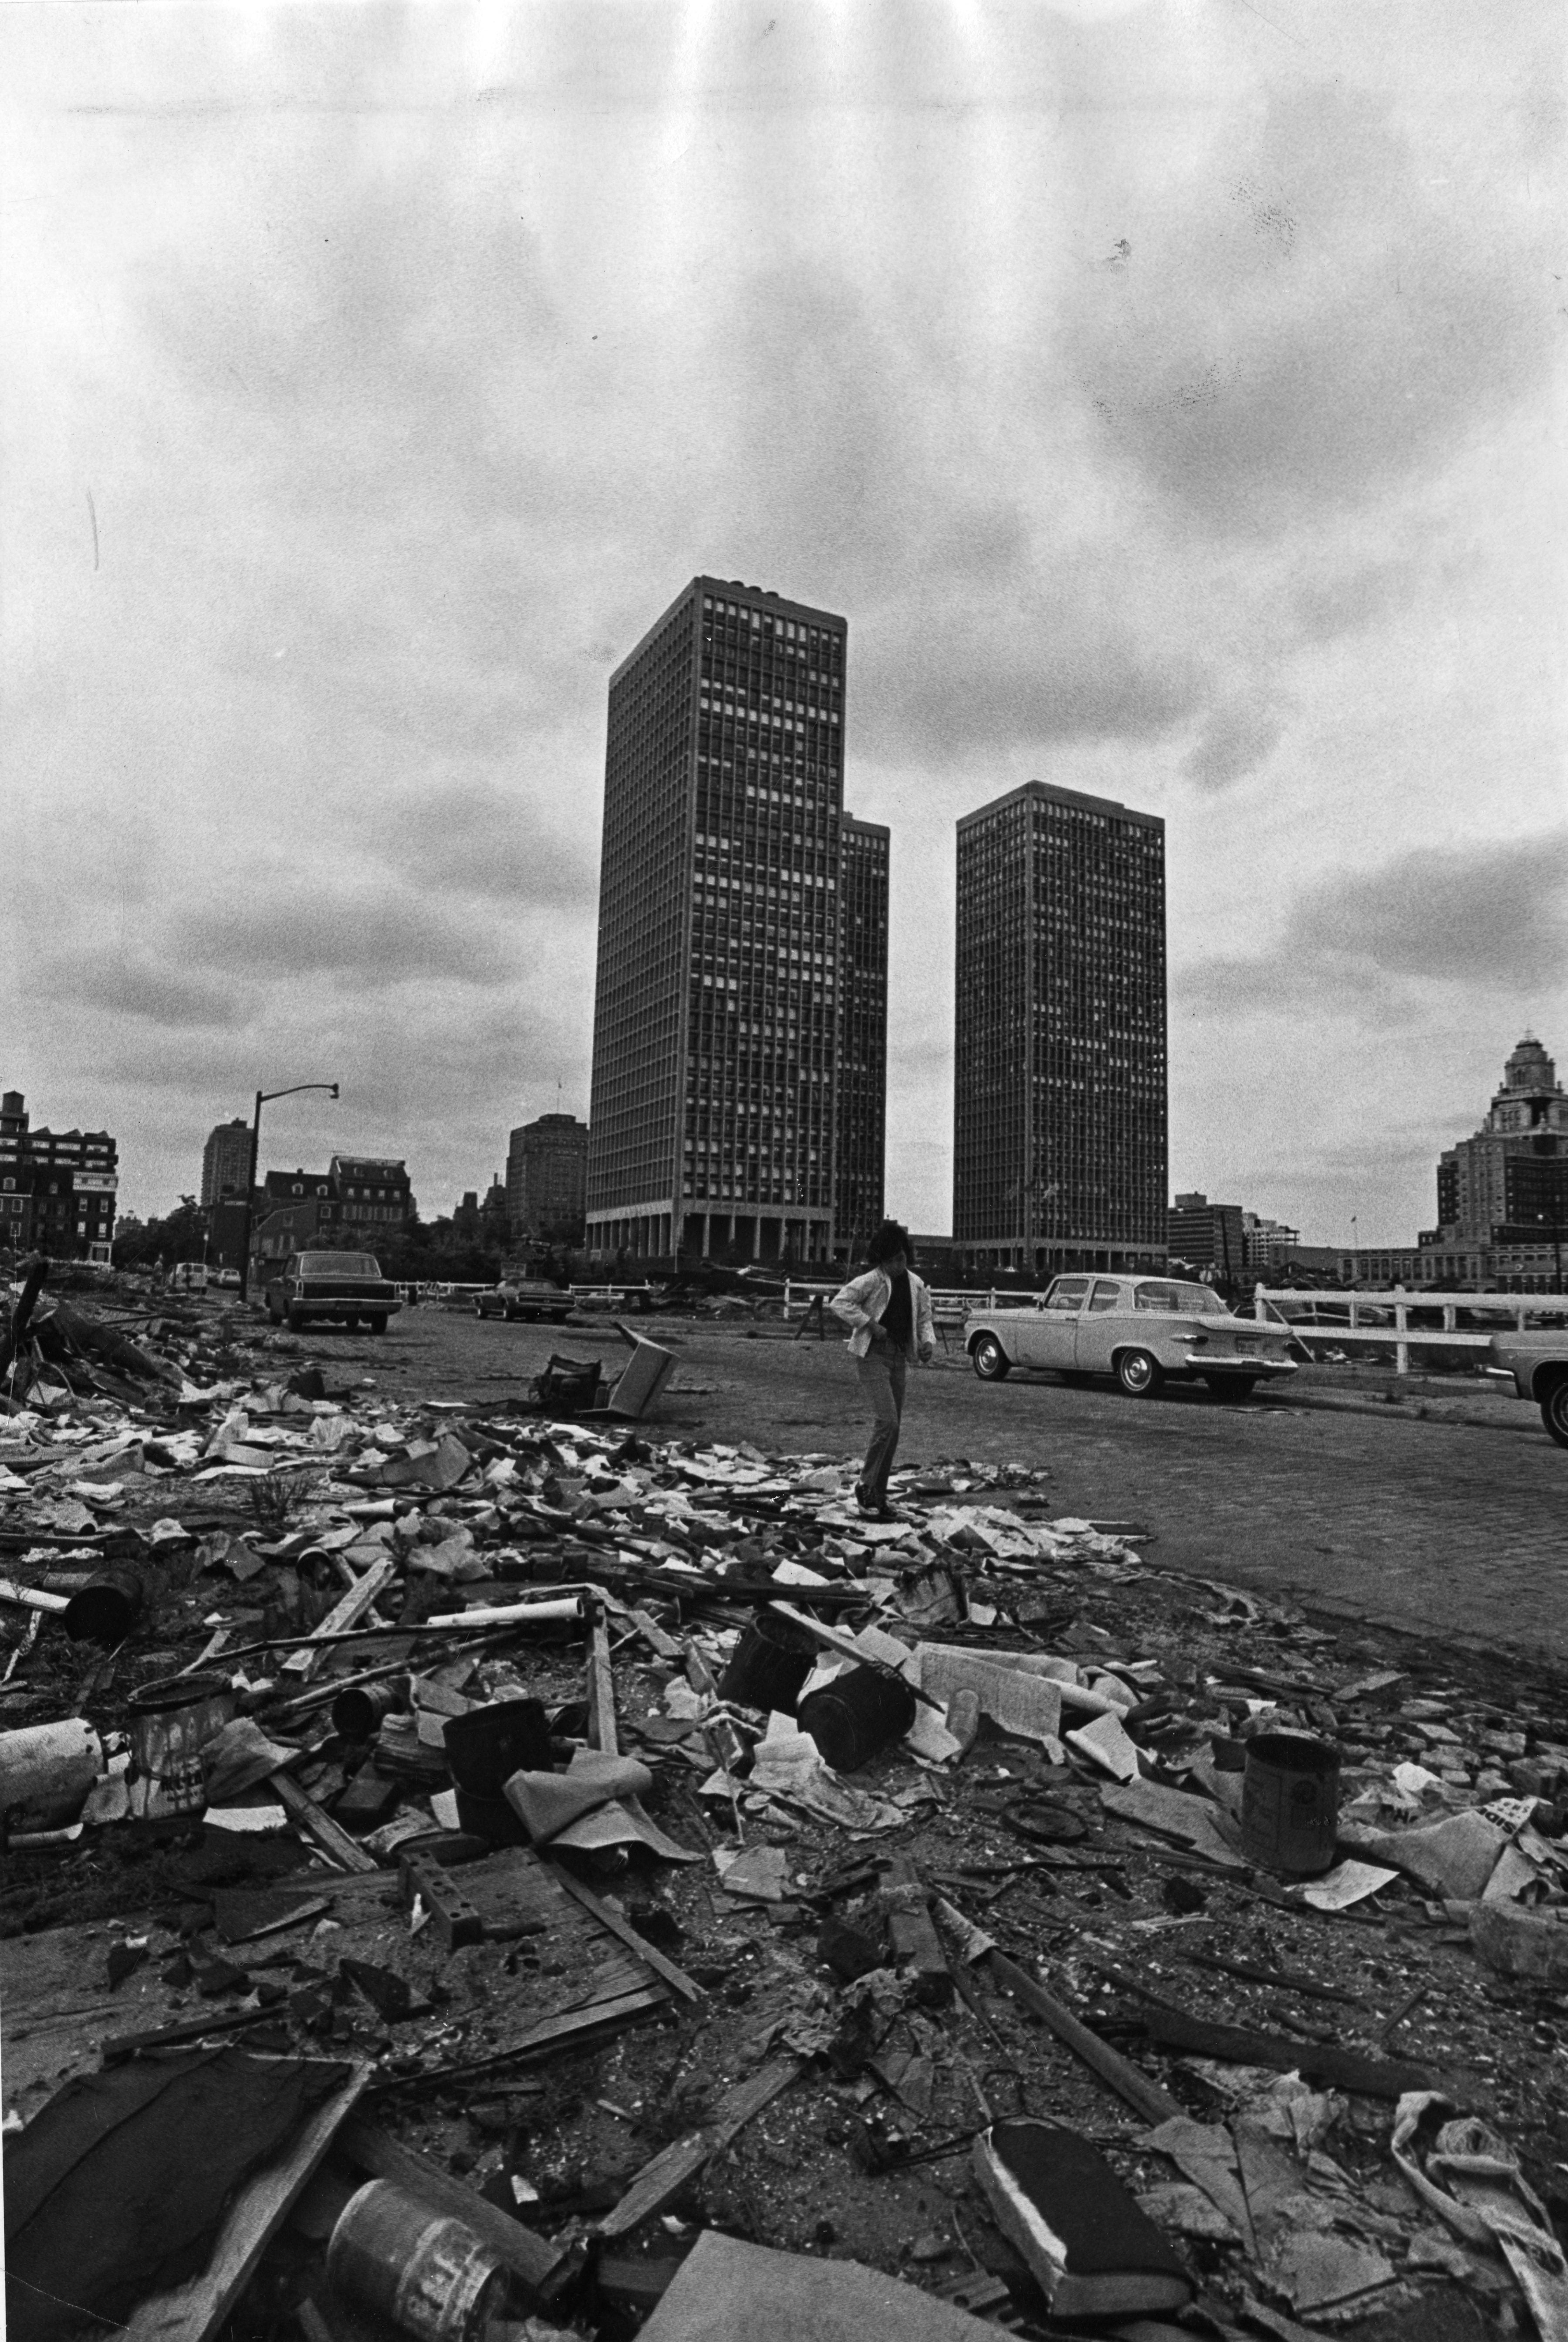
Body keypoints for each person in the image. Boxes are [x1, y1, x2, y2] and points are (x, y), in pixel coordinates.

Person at [831, 1220, 936, 1520]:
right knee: (887, 1421)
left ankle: (877, 1496)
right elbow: (840, 1303)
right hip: (873, 1356)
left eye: (901, 1259)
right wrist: (869, 1324)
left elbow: (925, 1320)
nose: (897, 1266)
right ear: (882, 1260)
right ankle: (866, 1487)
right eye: (891, 1261)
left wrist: (928, 1344)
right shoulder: (872, 1280)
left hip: (899, 1358)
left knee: (894, 1429)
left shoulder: (916, 1284)